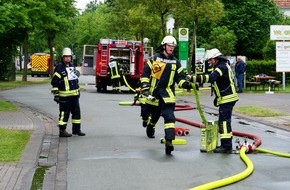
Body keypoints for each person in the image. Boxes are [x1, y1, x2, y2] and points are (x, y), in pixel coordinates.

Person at [140, 35, 193, 155]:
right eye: (169, 46)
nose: (171, 48)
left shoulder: (176, 62)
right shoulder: (155, 59)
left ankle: (169, 142)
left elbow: (180, 80)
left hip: (168, 95)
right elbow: (145, 75)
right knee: (154, 115)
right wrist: (145, 87)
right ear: (164, 46)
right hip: (153, 94)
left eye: (173, 46)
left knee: (169, 118)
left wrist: (187, 85)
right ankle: (150, 126)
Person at [189, 48, 238, 153]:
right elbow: (220, 83)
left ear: (216, 58)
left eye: (211, 60)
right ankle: (226, 144)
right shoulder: (222, 65)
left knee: (224, 122)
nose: (210, 62)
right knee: (223, 121)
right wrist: (217, 98)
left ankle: (226, 146)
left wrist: (194, 78)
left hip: (227, 98)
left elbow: (211, 77)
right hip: (226, 98)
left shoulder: (221, 67)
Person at [51, 47, 86, 137]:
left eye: (69, 57)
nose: (67, 58)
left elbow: (75, 81)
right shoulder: (59, 68)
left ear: (71, 57)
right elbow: (55, 82)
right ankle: (62, 131)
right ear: (63, 58)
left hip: (74, 95)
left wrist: (78, 91)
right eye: (66, 57)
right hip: (64, 97)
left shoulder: (72, 67)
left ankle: (76, 130)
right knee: (64, 114)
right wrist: (56, 95)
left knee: (76, 112)